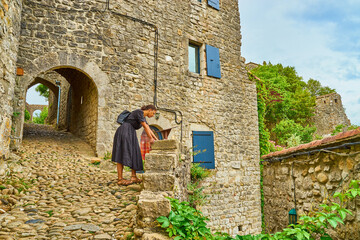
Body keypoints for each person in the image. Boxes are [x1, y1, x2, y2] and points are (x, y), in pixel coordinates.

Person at [112, 105, 158, 185]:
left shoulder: (143, 117)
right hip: (124, 131)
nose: (153, 115)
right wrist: (150, 138)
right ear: (150, 110)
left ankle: (133, 176)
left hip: (131, 133)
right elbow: (144, 126)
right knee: (121, 152)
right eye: (153, 113)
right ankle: (120, 179)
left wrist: (156, 139)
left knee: (135, 152)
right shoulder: (139, 112)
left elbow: (148, 128)